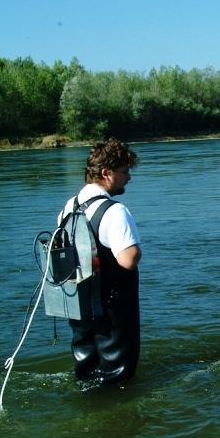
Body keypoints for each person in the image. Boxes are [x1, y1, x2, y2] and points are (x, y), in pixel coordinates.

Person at [58, 137, 142, 383]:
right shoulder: (115, 211)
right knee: (118, 373)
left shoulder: (69, 207)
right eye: (124, 171)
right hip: (112, 308)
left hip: (79, 305)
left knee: (86, 367)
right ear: (106, 173)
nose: (129, 177)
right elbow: (129, 259)